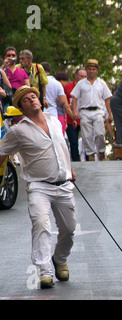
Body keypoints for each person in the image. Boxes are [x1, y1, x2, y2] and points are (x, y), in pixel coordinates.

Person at [0, 85, 77, 289]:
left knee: (69, 230)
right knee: (41, 225)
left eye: (34, 96)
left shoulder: (55, 121)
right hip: (38, 187)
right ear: (21, 108)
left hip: (63, 184)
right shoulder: (18, 131)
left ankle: (59, 259)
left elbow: (63, 146)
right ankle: (45, 271)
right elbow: (2, 152)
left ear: (40, 100)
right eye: (26, 100)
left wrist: (70, 169)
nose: (31, 100)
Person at [71, 59, 113, 161]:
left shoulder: (101, 83)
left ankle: (101, 150)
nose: (91, 71)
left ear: (97, 71)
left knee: (100, 133)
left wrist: (110, 114)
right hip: (84, 111)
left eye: (93, 69)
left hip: (98, 110)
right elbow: (75, 98)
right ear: (87, 70)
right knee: (86, 135)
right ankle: (90, 154)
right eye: (89, 69)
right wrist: (74, 112)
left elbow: (107, 99)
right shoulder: (81, 83)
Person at [41, 62, 73, 133]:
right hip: (52, 113)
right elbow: (63, 102)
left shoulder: (37, 81)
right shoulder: (56, 83)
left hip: (40, 112)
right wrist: (73, 117)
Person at [64, 68, 87, 161]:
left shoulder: (88, 87)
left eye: (85, 76)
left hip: (85, 118)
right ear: (76, 76)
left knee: (87, 141)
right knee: (73, 143)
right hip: (71, 119)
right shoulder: (68, 87)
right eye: (82, 76)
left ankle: (89, 161)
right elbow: (64, 103)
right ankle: (76, 162)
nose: (84, 78)